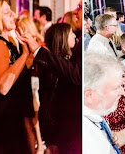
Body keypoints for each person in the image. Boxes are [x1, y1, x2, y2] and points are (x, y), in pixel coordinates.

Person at [0, 0, 37, 154]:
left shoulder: (8, 41)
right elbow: (3, 86)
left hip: (13, 116)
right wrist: (24, 55)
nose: (12, 14)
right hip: (6, 119)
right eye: (6, 12)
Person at [35, 23, 83, 153]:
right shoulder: (54, 67)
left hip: (66, 125)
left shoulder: (68, 61)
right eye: (71, 33)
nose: (75, 36)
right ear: (61, 38)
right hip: (57, 125)